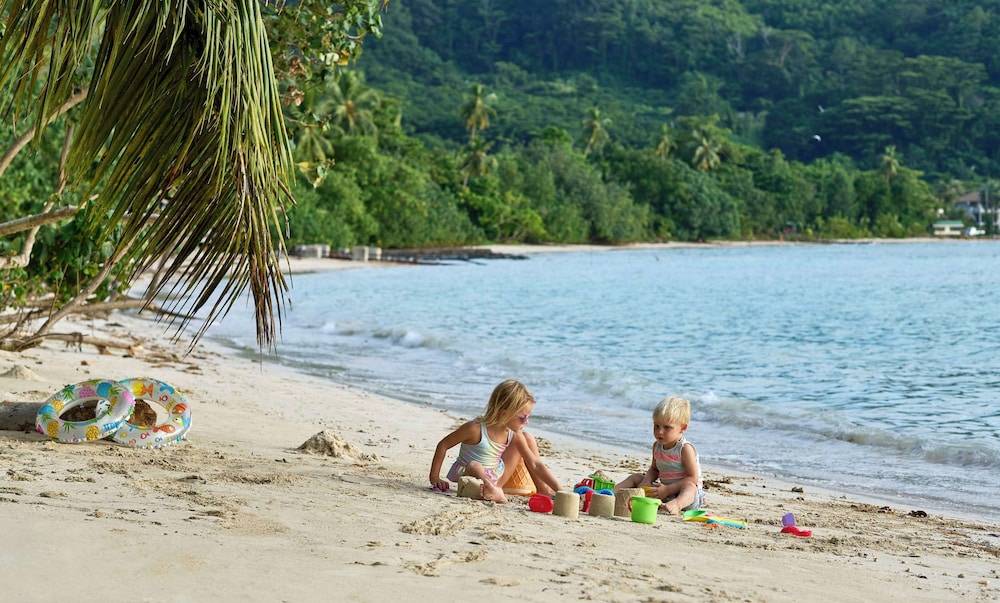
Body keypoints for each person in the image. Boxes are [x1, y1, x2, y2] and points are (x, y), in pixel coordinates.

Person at [429, 379, 561, 503]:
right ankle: (493, 490)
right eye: (522, 418)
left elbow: (535, 464)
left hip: (495, 477)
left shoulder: (514, 433)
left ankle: (540, 490)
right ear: (504, 413)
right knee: (475, 465)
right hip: (470, 477)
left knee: (527, 438)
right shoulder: (475, 429)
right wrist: (434, 477)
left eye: (528, 417)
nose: (526, 422)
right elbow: (443, 445)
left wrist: (560, 490)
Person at [617, 396, 704, 515]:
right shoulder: (657, 446)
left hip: (687, 497)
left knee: (690, 486)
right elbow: (654, 469)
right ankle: (612, 493)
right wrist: (646, 482)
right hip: (663, 491)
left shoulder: (684, 449)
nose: (660, 432)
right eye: (656, 426)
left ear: (683, 428)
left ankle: (676, 505)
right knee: (636, 477)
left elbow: (693, 478)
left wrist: (668, 490)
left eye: (667, 427)